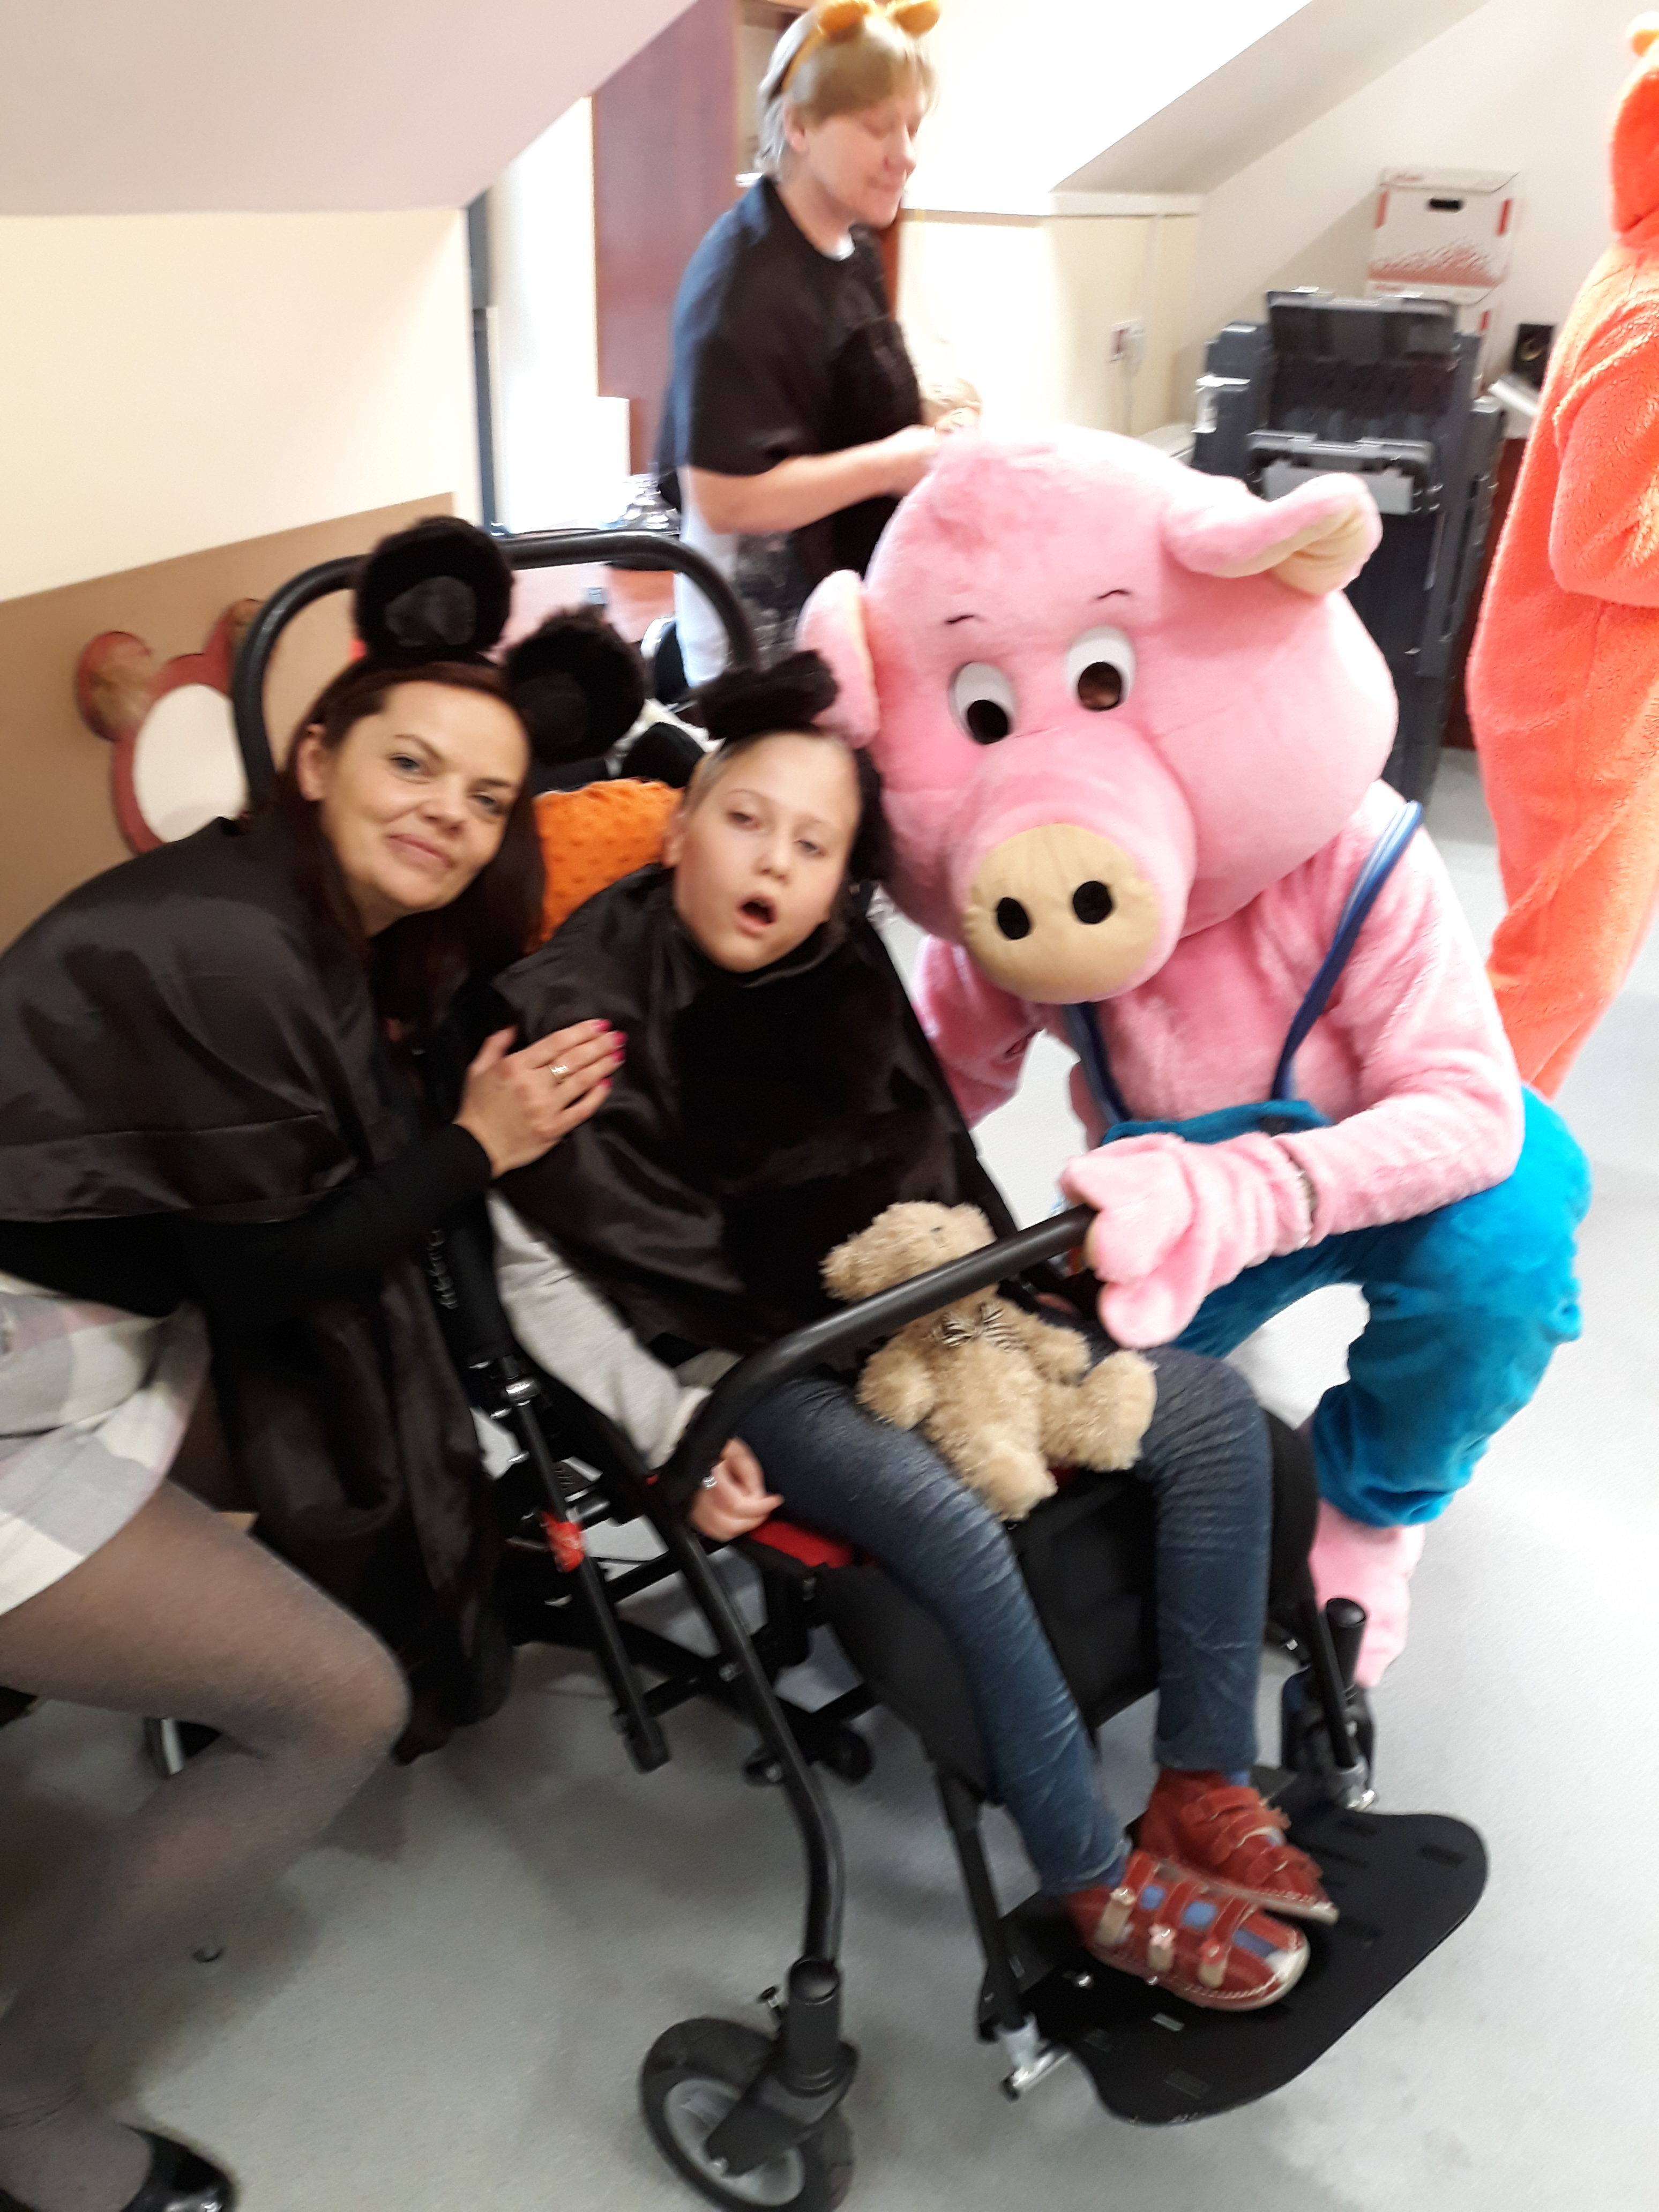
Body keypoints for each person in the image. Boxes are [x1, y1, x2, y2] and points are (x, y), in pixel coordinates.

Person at [490, 653, 1334, 2015]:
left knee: (1217, 1416)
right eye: (746, 819)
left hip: (932, 1305)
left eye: (812, 844)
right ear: (681, 825)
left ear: (843, 882)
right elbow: (537, 1267)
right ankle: (1087, 1871)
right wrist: (666, 1433)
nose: (774, 859)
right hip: (744, 1369)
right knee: (946, 1515)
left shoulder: (842, 969)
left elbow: (940, 1154)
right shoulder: (566, 1014)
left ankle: (1202, 1777)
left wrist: (1028, 1298)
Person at [0, 519, 615, 2212]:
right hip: (20, 1378)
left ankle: (176, 1670)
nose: (447, 813)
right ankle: (24, 2112)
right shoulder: (227, 944)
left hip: (90, 1327)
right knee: (339, 1702)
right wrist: (478, 1146)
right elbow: (269, 1273)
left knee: (322, 1444)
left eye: (485, 798)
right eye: (412, 764)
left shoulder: (312, 920)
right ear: (320, 754)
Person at [1468, 18, 1659, 1094]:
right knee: (1562, 969)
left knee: (1575, 955)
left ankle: (1492, 1141)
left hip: (1590, 685)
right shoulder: (1651, 313)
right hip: (1580, 700)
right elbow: (1598, 545)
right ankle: (1446, 1160)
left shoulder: (1641, 259)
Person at [656, 0, 944, 683]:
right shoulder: (740, 282)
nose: (905, 156)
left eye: (911, 127)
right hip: (762, 644)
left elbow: (839, 399)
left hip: (843, 597)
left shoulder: (856, 245)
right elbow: (726, 499)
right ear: (799, 125)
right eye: (877, 127)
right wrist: (894, 463)